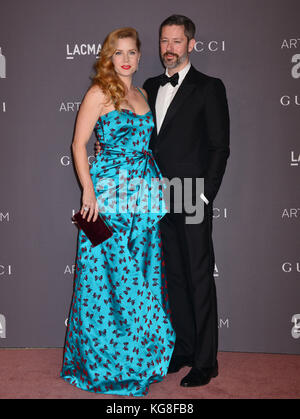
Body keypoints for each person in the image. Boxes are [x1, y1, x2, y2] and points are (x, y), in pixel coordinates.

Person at [96, 15, 230, 388]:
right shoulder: (149, 86)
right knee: (172, 277)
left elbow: (220, 148)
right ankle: (184, 349)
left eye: (176, 42)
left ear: (191, 45)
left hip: (190, 193)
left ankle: (206, 361)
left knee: (199, 276)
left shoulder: (209, 87)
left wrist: (203, 195)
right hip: (152, 195)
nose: (168, 49)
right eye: (163, 42)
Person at [60, 27, 175, 397]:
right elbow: (79, 145)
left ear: (140, 57)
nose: (125, 59)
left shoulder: (142, 94)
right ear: (109, 58)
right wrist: (88, 192)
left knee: (140, 278)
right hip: (108, 197)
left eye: (131, 53)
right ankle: (102, 364)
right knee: (105, 283)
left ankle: (136, 358)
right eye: (118, 53)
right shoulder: (99, 92)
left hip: (142, 198)